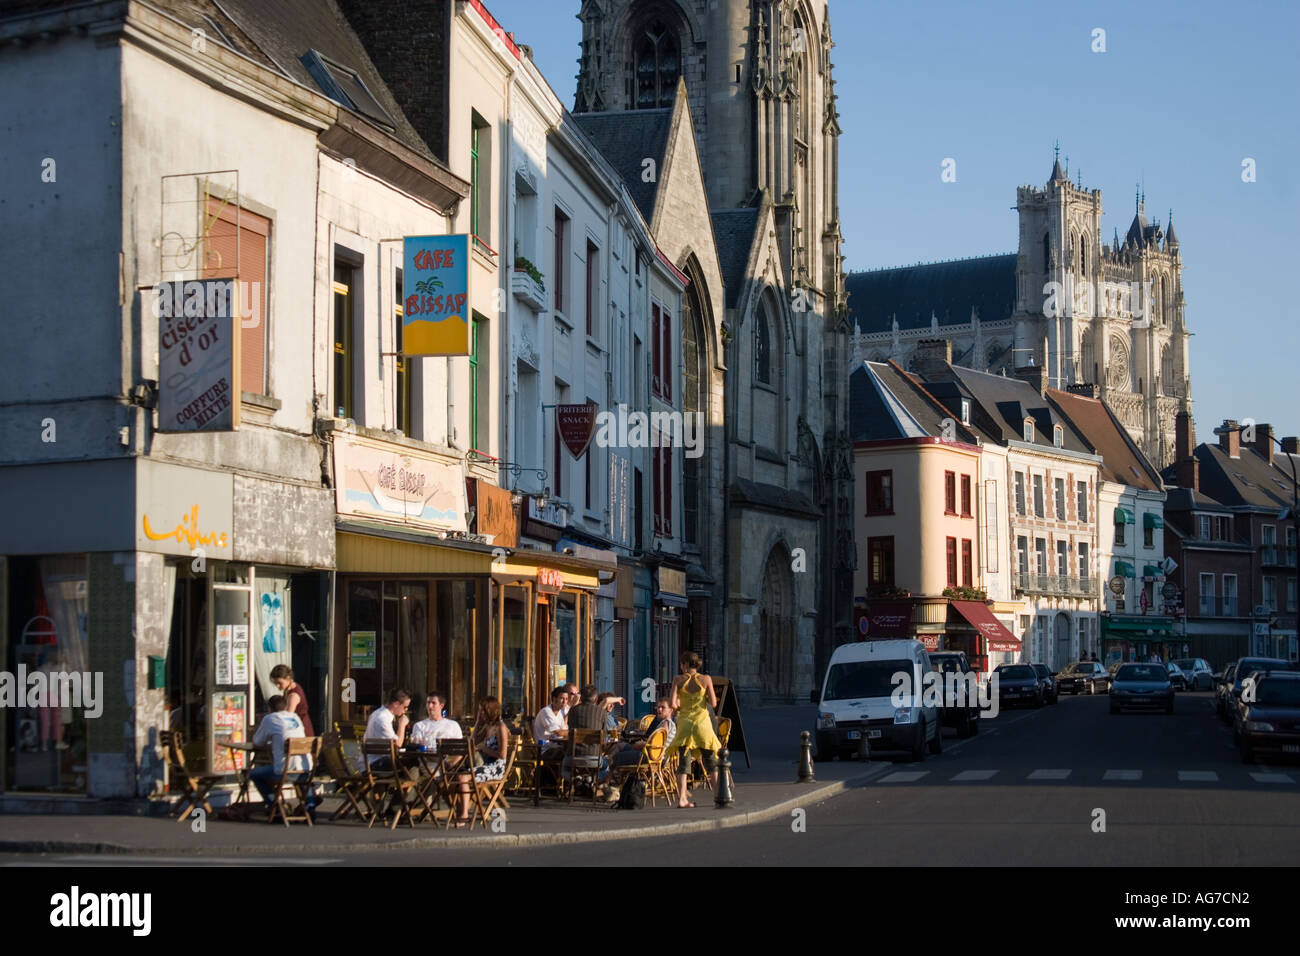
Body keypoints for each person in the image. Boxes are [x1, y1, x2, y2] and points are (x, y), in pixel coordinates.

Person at [662, 651, 723, 808]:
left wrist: (683, 705)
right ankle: (718, 796)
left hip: (685, 724)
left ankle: (682, 799)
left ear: (686, 664)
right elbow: (714, 703)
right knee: (710, 761)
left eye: (682, 664)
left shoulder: (678, 679)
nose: (681, 667)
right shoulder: (706, 679)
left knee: (683, 763)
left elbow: (673, 704)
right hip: (702, 724)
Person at [249, 695, 315, 817]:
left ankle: (275, 804)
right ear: (285, 706)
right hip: (305, 769)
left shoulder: (270, 718)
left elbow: (257, 742)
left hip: (285, 771)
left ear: (269, 708)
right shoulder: (295, 717)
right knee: (302, 781)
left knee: (254, 774)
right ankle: (310, 804)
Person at [452, 696, 510, 827]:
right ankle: (460, 811)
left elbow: (502, 755)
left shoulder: (500, 727)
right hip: (484, 764)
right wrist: (477, 723)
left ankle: (464, 815)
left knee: (463, 777)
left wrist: (484, 748)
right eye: (480, 711)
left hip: (495, 766)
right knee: (455, 774)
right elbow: (472, 743)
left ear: (491, 711)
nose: (481, 714)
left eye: (483, 711)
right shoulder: (487, 726)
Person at [613, 697, 675, 768]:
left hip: (651, 758)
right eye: (658, 707)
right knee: (620, 746)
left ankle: (605, 775)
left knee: (616, 756)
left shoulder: (666, 723)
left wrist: (642, 744)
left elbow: (657, 744)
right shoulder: (668, 724)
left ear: (670, 710)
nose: (659, 709)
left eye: (663, 707)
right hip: (652, 756)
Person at [364, 689, 411, 769]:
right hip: (375, 764)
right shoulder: (383, 719)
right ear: (396, 704)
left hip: (373, 761)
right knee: (414, 761)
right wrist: (402, 725)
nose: (406, 710)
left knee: (408, 761)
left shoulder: (377, 713)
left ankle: (408, 781)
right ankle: (411, 781)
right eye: (405, 707)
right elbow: (398, 744)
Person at [269, 664, 313, 737]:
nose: (277, 686)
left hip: (301, 734)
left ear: (288, 678)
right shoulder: (291, 688)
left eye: (279, 683)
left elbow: (288, 717)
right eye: (275, 683)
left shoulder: (293, 695)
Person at [532, 686, 569, 755]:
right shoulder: (546, 711)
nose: (565, 702)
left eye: (566, 699)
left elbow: (564, 731)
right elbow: (559, 733)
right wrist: (575, 732)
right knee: (568, 754)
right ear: (554, 699)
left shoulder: (560, 712)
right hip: (546, 749)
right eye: (562, 698)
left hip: (557, 746)